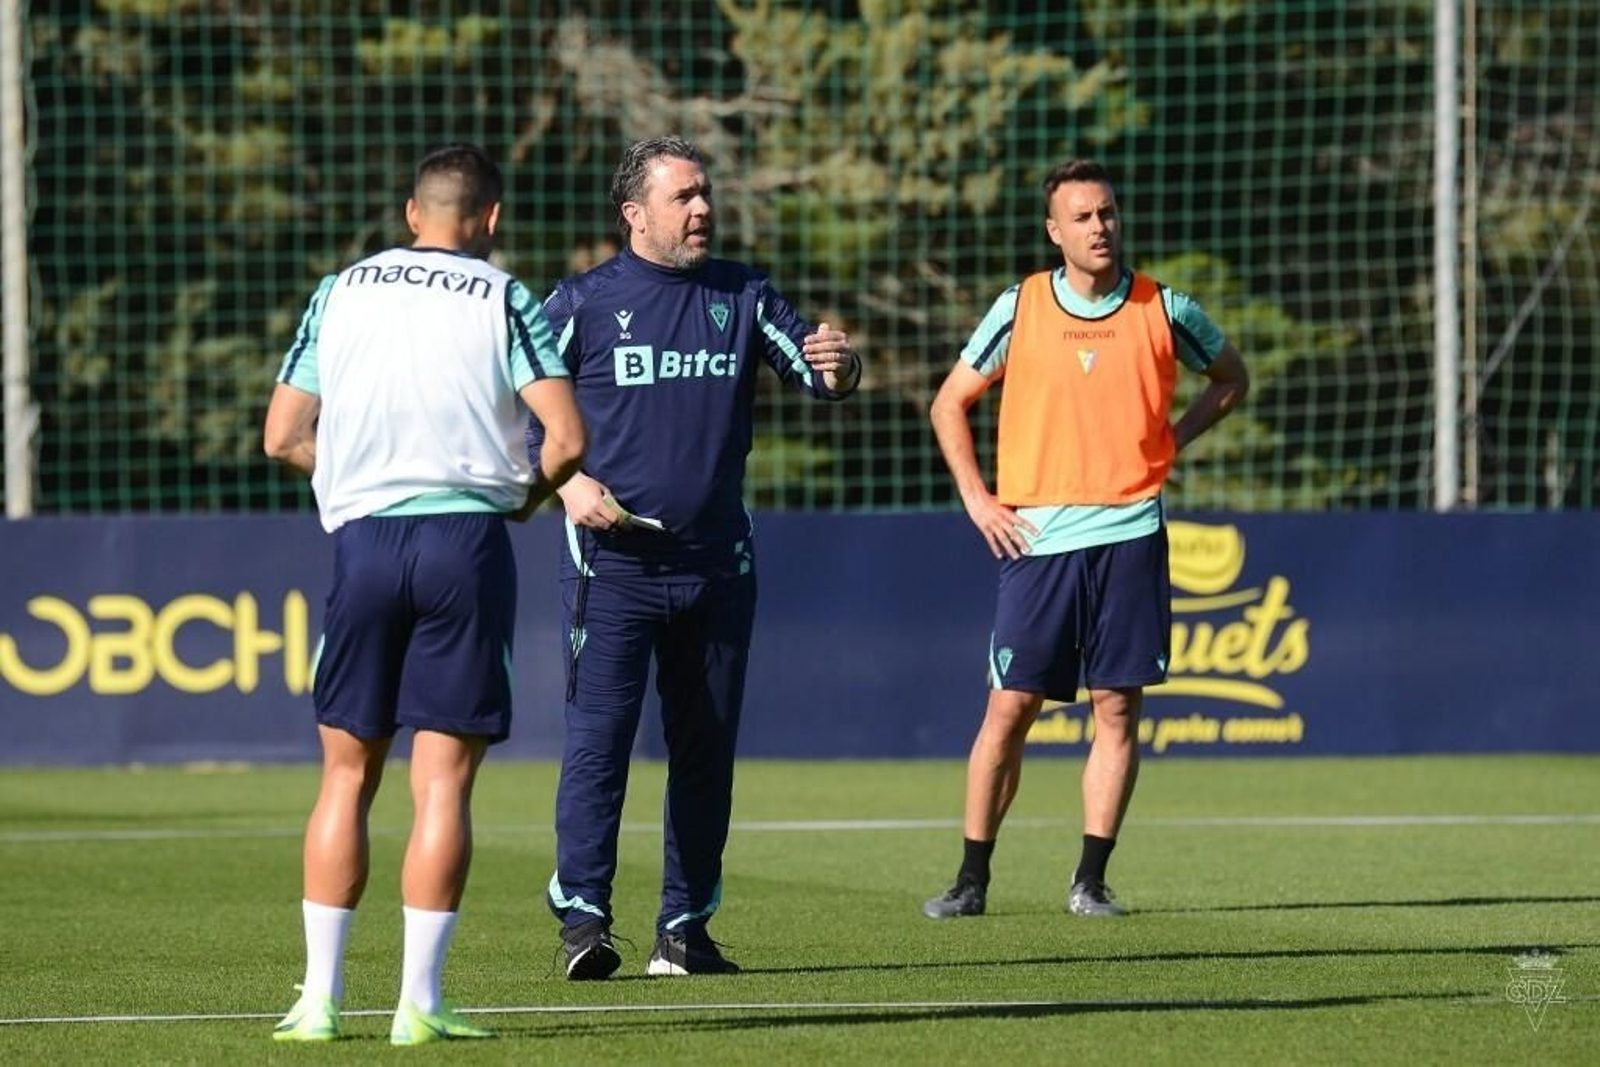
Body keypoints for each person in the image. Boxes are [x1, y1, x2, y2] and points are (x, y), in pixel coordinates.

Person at [261, 143, 586, 1043]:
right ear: (490, 220)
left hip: (364, 541)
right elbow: (565, 436)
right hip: (464, 541)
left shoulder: (340, 290)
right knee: (440, 785)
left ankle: (317, 1001)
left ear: (412, 214)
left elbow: (283, 433)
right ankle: (419, 1005)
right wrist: (517, 499)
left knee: (344, 775)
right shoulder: (505, 295)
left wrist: (357, 479)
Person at [525, 135, 860, 979]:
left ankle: (683, 927)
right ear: (636, 215)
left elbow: (816, 374)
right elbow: (515, 410)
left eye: (704, 192)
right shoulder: (581, 303)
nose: (702, 207)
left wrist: (842, 366)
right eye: (683, 196)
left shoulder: (744, 293)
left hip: (715, 565)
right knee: (599, 745)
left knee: (704, 748)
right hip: (613, 565)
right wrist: (567, 486)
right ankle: (584, 921)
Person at [922, 159, 1248, 921]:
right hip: (1037, 541)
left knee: (1117, 709)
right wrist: (978, 500)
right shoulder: (1021, 305)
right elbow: (948, 404)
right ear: (1054, 231)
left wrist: (1173, 438)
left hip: (1131, 533)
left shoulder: (1165, 308)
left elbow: (1231, 378)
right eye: (1082, 216)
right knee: (1011, 707)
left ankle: (1090, 879)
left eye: (1107, 212)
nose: (1099, 227)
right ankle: (971, 878)